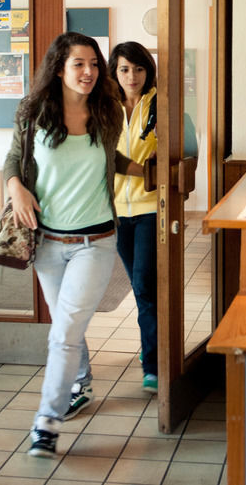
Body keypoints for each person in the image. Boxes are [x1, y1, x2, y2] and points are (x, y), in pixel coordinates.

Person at [3, 32, 135, 458]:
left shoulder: (107, 111)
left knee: (63, 334)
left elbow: (108, 157)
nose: (89, 72)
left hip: (94, 241)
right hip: (47, 242)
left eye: (95, 64)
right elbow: (13, 160)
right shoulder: (34, 111)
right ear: (59, 67)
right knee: (66, 328)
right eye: (79, 64)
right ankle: (80, 381)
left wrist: (146, 171)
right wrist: (15, 189)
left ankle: (47, 420)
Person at [108, 41, 160, 393]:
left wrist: (147, 172)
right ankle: (151, 346)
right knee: (141, 289)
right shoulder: (103, 108)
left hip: (149, 208)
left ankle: (153, 364)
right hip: (113, 210)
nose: (132, 76)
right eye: (125, 69)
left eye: (139, 69)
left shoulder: (160, 103)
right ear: (114, 71)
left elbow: (179, 150)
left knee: (144, 285)